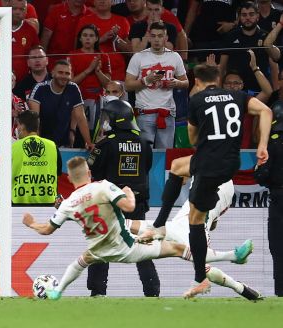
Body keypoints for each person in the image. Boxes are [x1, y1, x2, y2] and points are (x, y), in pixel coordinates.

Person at [22, 157, 255, 300]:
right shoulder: (103, 187)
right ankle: (235, 278)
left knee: (79, 262)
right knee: (179, 249)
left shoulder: (68, 202)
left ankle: (58, 291)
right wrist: (129, 192)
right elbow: (129, 206)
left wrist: (31, 223)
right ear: (89, 174)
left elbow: (46, 230)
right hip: (126, 248)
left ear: (72, 179)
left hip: (98, 251)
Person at [149, 64, 271, 298]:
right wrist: (262, 145)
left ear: (197, 82)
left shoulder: (196, 101)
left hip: (208, 164)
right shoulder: (238, 96)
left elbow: (193, 139)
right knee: (178, 167)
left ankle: (200, 277)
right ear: (220, 79)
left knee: (195, 220)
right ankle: (160, 225)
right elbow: (265, 111)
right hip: (230, 164)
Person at [131, 180, 263, 300]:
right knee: (202, 268)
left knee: (131, 225)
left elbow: (179, 178)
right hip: (187, 227)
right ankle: (239, 282)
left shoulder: (201, 165)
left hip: (189, 227)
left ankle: (234, 261)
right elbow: (214, 224)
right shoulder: (228, 190)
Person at [85, 100, 160, 297]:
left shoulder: (105, 144)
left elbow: (94, 169)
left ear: (115, 120)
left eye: (107, 118)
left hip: (111, 204)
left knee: (101, 245)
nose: (104, 122)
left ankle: (97, 291)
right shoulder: (144, 143)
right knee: (142, 247)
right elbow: (147, 167)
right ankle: (152, 291)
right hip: (138, 204)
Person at [125, 21, 188, 149]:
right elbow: (127, 85)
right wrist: (146, 80)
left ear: (166, 38)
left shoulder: (175, 57)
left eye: (160, 36)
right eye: (153, 36)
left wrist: (176, 83)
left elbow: (186, 83)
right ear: (149, 37)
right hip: (144, 113)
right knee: (144, 156)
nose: (157, 39)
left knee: (164, 155)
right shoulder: (139, 57)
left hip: (167, 113)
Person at [28, 60, 93, 149]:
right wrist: (38, 145)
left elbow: (81, 117)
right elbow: (34, 120)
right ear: (53, 73)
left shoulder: (73, 88)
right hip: (43, 143)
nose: (64, 76)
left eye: (67, 73)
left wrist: (88, 142)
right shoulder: (40, 88)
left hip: (64, 143)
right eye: (60, 72)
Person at [254, 101, 283, 296]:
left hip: (278, 198)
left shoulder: (272, 141)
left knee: (279, 251)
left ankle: (281, 294)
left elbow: (262, 175)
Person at [219, 1, 279, 93]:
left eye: (251, 14)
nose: (247, 18)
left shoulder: (266, 37)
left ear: (257, 16)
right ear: (239, 17)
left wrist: (275, 91)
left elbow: (273, 66)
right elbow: (222, 67)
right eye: (244, 15)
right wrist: (220, 90)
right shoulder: (230, 37)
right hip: (235, 90)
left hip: (261, 90)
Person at [12, 110, 61, 205]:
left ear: (22, 126)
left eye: (18, 125)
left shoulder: (13, 147)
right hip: (48, 202)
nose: (17, 128)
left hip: (20, 202)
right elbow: (57, 173)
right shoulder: (52, 146)